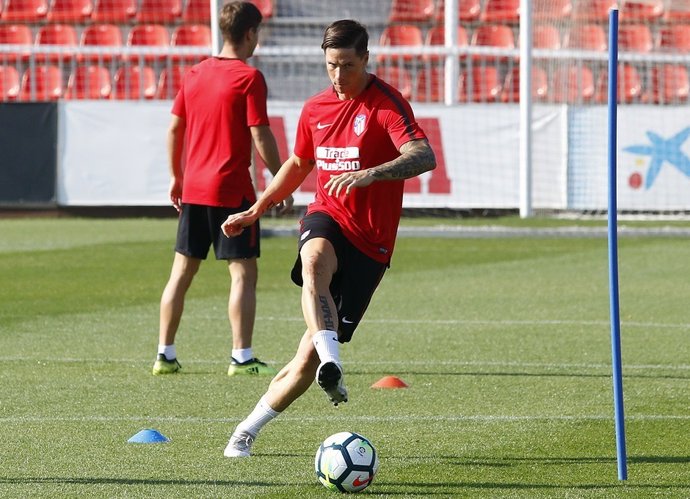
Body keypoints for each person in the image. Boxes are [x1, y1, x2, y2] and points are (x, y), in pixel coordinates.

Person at [219, 19, 436, 457]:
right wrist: (256, 209)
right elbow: (299, 164)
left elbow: (423, 155)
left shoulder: (387, 104)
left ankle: (247, 429)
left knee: (304, 364)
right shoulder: (316, 108)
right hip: (327, 217)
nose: (339, 76)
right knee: (314, 260)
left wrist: (371, 174)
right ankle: (332, 356)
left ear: (366, 59)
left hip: (371, 243)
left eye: (348, 66)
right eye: (331, 66)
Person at [152, 1, 293, 377]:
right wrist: (281, 178)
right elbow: (260, 133)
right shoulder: (249, 78)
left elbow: (173, 129)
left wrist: (176, 177)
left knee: (181, 272)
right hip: (232, 191)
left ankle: (164, 355)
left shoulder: (195, 73)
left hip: (195, 188)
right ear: (250, 33)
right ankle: (241, 358)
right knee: (242, 274)